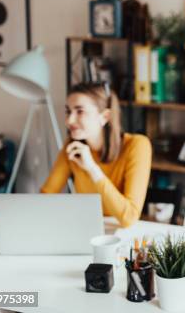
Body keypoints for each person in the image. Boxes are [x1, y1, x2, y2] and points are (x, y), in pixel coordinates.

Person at [41, 82, 152, 228]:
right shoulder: (72, 147)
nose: (69, 120)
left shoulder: (137, 145)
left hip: (119, 233)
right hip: (85, 228)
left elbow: (129, 217)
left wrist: (92, 168)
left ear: (105, 117)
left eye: (80, 111)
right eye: (68, 111)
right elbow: (46, 196)